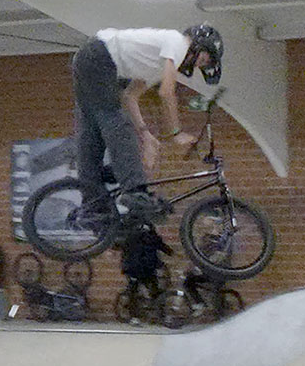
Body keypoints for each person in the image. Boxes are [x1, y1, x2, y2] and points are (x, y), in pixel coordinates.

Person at [72, 23, 222, 220]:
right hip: (100, 56)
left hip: (92, 61)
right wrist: (176, 133)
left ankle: (93, 205)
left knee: (93, 133)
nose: (198, 65)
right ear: (197, 45)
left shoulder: (157, 67)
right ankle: (134, 191)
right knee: (118, 125)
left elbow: (130, 96)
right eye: (203, 59)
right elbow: (167, 92)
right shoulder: (177, 41)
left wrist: (145, 134)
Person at [119, 223, 173, 323]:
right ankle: (161, 315)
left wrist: (125, 267)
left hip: (135, 269)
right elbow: (166, 249)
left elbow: (124, 251)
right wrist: (172, 254)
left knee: (134, 291)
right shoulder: (153, 237)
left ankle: (135, 317)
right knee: (155, 292)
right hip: (146, 269)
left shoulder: (131, 237)